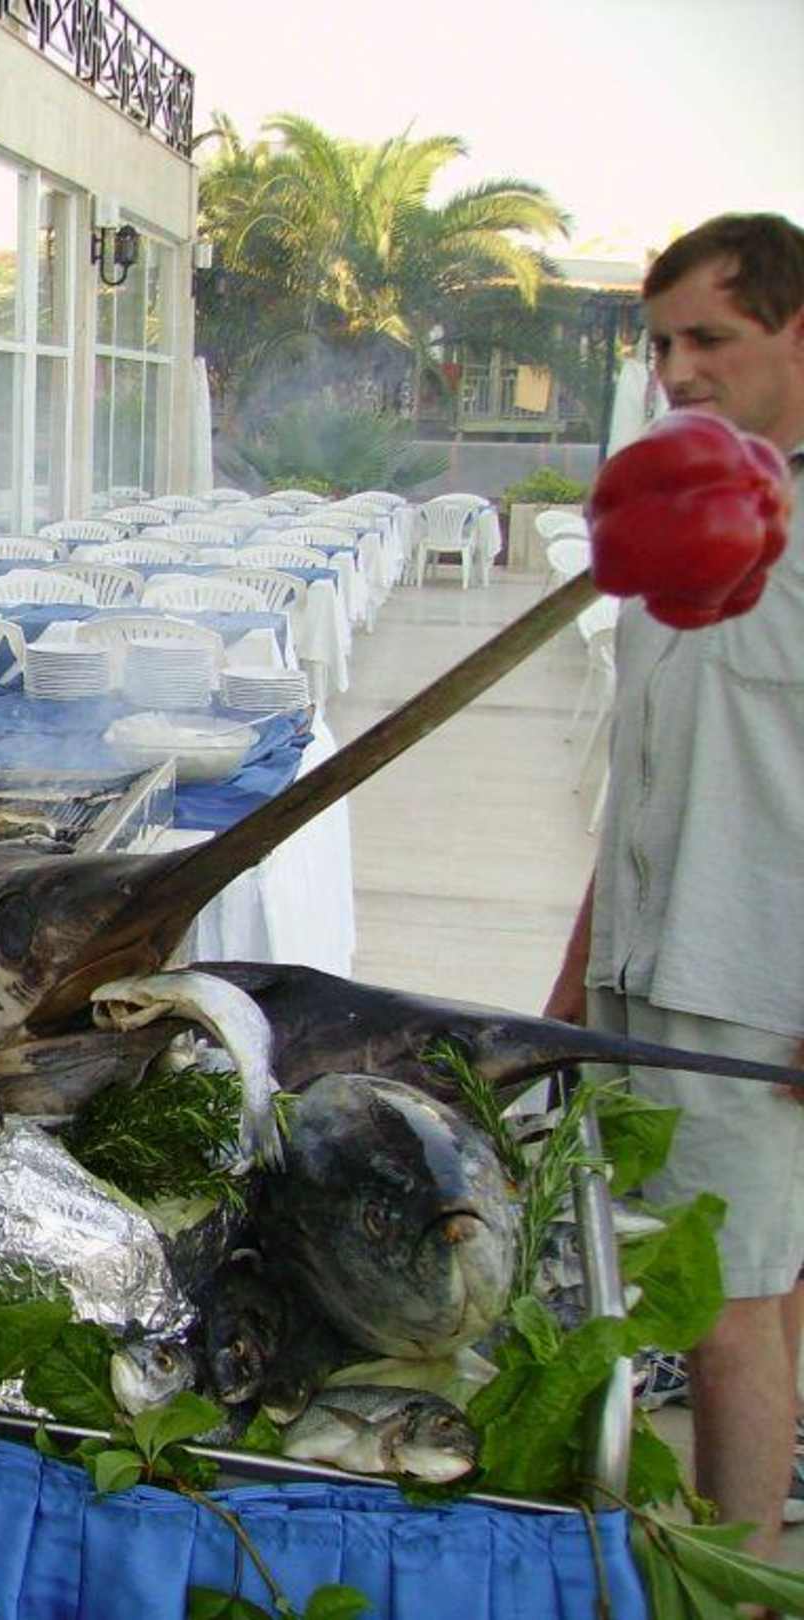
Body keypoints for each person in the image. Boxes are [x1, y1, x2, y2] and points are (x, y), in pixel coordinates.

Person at [545, 212, 804, 1559]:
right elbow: (642, 787)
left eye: (711, 336)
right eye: (658, 345)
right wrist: (572, 979)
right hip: (646, 972)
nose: (678, 370)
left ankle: (735, 1580)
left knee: (724, 1310)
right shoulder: (675, 517)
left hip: (752, 988)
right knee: (743, 1286)